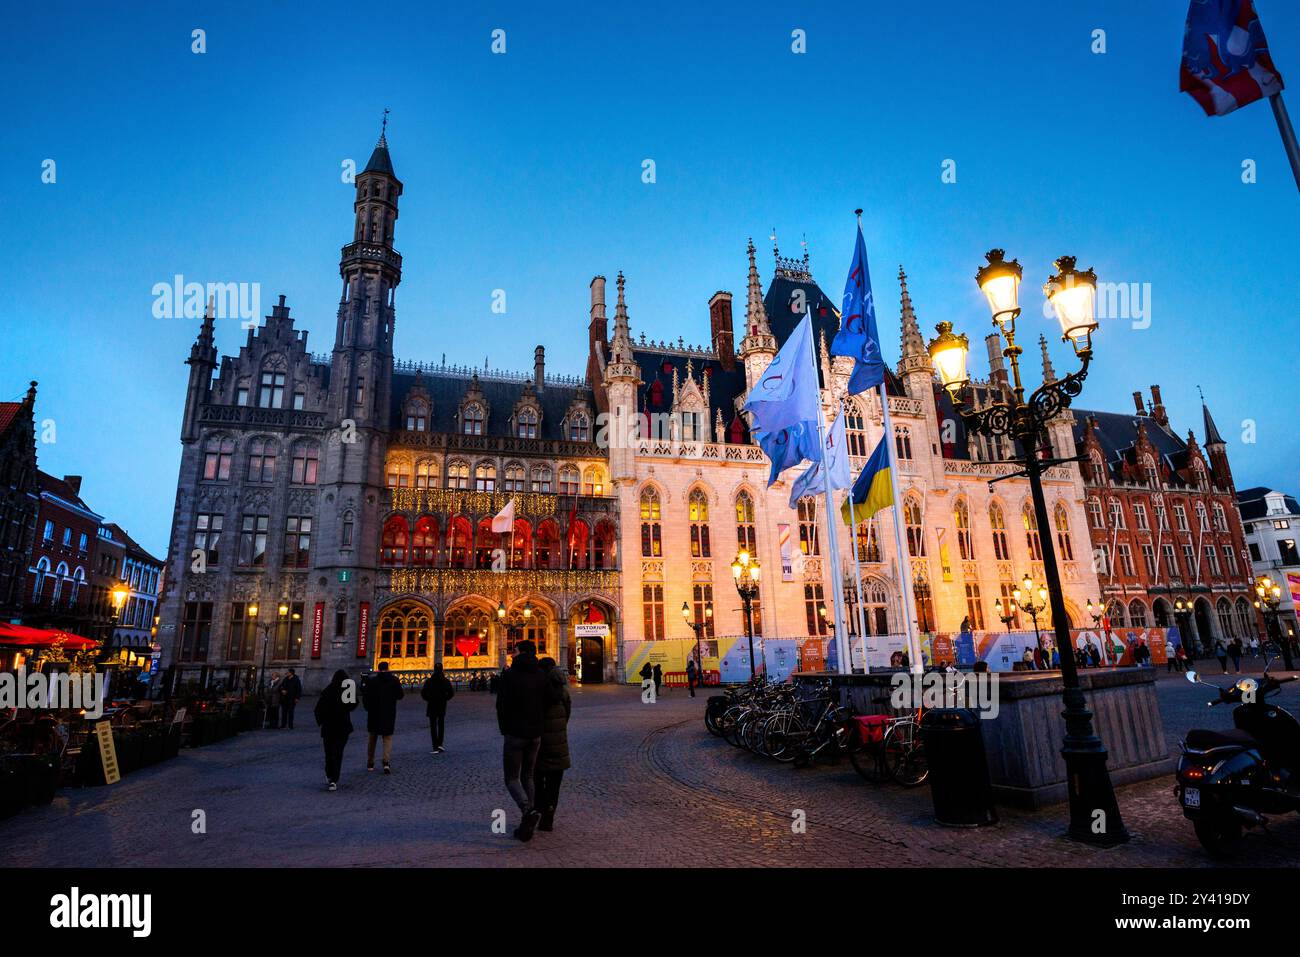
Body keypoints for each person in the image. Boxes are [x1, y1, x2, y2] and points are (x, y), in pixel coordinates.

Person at [497, 639, 549, 841]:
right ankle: (528, 820)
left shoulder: (510, 676)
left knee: (511, 778)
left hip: (515, 734)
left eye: (515, 651)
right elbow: (548, 700)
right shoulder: (541, 675)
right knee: (528, 776)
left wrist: (505, 729)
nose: (512, 654)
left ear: (523, 653)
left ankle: (528, 811)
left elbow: (501, 705)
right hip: (535, 734)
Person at [533, 656, 572, 833]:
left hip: (540, 743)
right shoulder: (563, 692)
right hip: (559, 745)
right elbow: (567, 715)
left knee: (537, 780)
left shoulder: (539, 689)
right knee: (554, 784)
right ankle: (549, 817)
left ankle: (539, 808)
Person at [314, 669, 358, 791]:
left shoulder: (327, 691)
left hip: (328, 728)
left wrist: (321, 722)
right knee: (338, 753)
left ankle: (329, 774)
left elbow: (318, 709)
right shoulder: (347, 690)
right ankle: (334, 779)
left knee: (328, 753)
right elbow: (353, 705)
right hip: (342, 727)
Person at [362, 661, 404, 773]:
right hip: (388, 713)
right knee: (387, 738)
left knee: (372, 738)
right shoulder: (394, 680)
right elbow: (400, 695)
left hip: (374, 713)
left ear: (378, 669)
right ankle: (386, 762)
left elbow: (365, 697)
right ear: (388, 668)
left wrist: (368, 708)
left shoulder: (372, 681)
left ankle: (370, 763)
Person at [420, 664, 454, 754]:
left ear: (434, 670)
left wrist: (428, 699)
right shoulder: (445, 681)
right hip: (442, 705)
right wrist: (445, 699)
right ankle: (440, 744)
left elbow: (423, 693)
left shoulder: (429, 681)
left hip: (432, 705)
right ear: (442, 670)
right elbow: (451, 693)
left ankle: (435, 745)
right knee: (441, 725)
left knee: (433, 726)